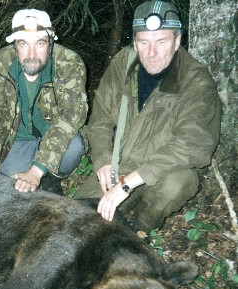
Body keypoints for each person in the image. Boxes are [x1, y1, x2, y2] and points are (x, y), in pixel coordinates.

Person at [75, 0, 221, 232]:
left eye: (161, 41)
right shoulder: (124, 62)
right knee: (77, 220)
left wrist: (129, 183)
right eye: (143, 42)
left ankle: (140, 228)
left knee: (177, 184)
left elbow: (193, 145)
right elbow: (100, 119)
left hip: (164, 169)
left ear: (177, 41)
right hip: (121, 163)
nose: (151, 53)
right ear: (135, 41)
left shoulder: (196, 80)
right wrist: (103, 160)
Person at [0, 9, 88, 194]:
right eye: (23, 44)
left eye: (40, 43)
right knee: (9, 185)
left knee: (74, 146)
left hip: (55, 135)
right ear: (14, 45)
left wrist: (36, 172)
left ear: (50, 43)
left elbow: (71, 117)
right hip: (17, 140)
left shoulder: (69, 64)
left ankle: (52, 179)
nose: (31, 54)